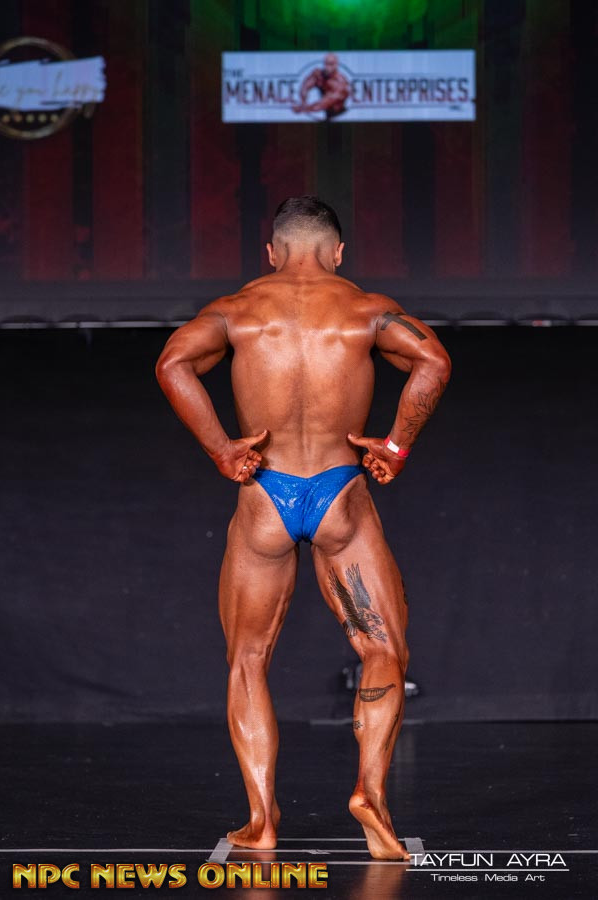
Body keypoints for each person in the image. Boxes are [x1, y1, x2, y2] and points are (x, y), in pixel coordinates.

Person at [155, 196, 451, 860]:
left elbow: (171, 363)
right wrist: (396, 446)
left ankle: (261, 822)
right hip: (340, 492)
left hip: (265, 494)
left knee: (247, 659)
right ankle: (370, 793)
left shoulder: (235, 310)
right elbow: (434, 361)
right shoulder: (366, 310)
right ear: (338, 252)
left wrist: (221, 449)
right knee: (382, 649)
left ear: (271, 252)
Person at [292, 52, 351, 118]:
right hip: (326, 113)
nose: (327, 67)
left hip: (339, 115)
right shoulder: (318, 74)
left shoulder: (341, 84)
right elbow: (305, 87)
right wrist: (303, 101)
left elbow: (323, 104)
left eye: (331, 64)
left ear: (336, 65)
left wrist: (303, 108)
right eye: (326, 63)